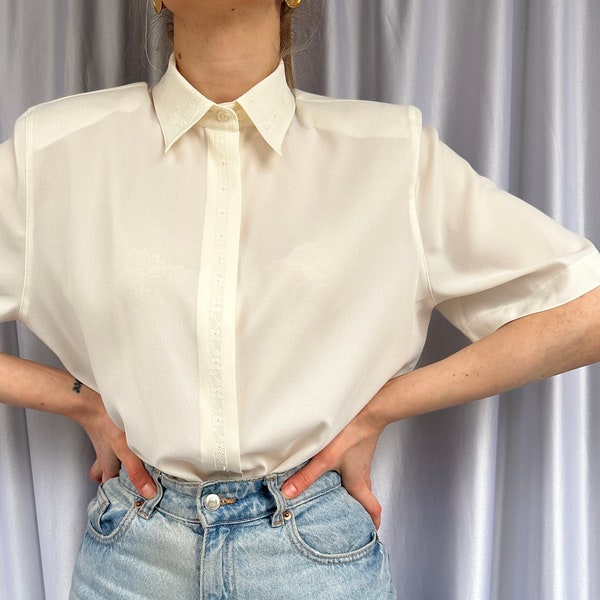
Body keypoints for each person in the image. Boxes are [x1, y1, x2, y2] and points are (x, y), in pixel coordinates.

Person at [1, 0, 600, 598]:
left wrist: (380, 408)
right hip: (130, 559)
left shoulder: (389, 154)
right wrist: (78, 401)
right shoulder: (55, 150)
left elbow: (583, 310)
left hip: (312, 559)